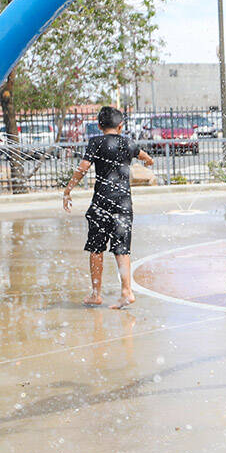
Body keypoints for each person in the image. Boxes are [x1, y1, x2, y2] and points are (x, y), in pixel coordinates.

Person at [63, 106, 154, 309]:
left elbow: (84, 167)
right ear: (121, 126)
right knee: (122, 248)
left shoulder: (96, 142)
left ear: (99, 125)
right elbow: (146, 157)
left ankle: (96, 293)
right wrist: (148, 161)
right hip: (123, 203)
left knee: (96, 248)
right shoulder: (128, 143)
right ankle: (126, 292)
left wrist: (68, 189)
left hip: (101, 202)